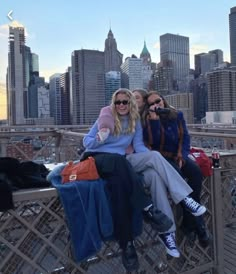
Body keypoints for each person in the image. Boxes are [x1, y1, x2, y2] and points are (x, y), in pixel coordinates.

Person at [96, 89, 207, 258]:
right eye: (120, 102)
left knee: (160, 176)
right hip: (120, 162)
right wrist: (102, 136)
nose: (122, 104)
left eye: (127, 101)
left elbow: (144, 145)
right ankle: (186, 202)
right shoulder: (111, 114)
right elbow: (93, 137)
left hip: (144, 159)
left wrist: (180, 155)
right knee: (156, 159)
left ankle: (168, 235)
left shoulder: (138, 120)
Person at [143, 90, 211, 247]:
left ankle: (189, 222)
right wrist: (154, 121)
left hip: (177, 155)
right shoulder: (148, 120)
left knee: (195, 172)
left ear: (163, 100)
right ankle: (199, 227)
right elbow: (152, 142)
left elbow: (185, 137)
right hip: (161, 157)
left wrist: (181, 155)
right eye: (151, 104)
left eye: (157, 101)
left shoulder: (176, 115)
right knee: (179, 179)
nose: (156, 105)